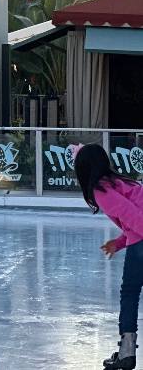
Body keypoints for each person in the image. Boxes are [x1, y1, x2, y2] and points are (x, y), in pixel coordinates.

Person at [75, 143, 143, 369]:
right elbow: (133, 220)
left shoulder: (101, 191)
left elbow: (135, 218)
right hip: (138, 239)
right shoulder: (118, 184)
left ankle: (126, 352)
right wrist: (120, 242)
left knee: (130, 292)